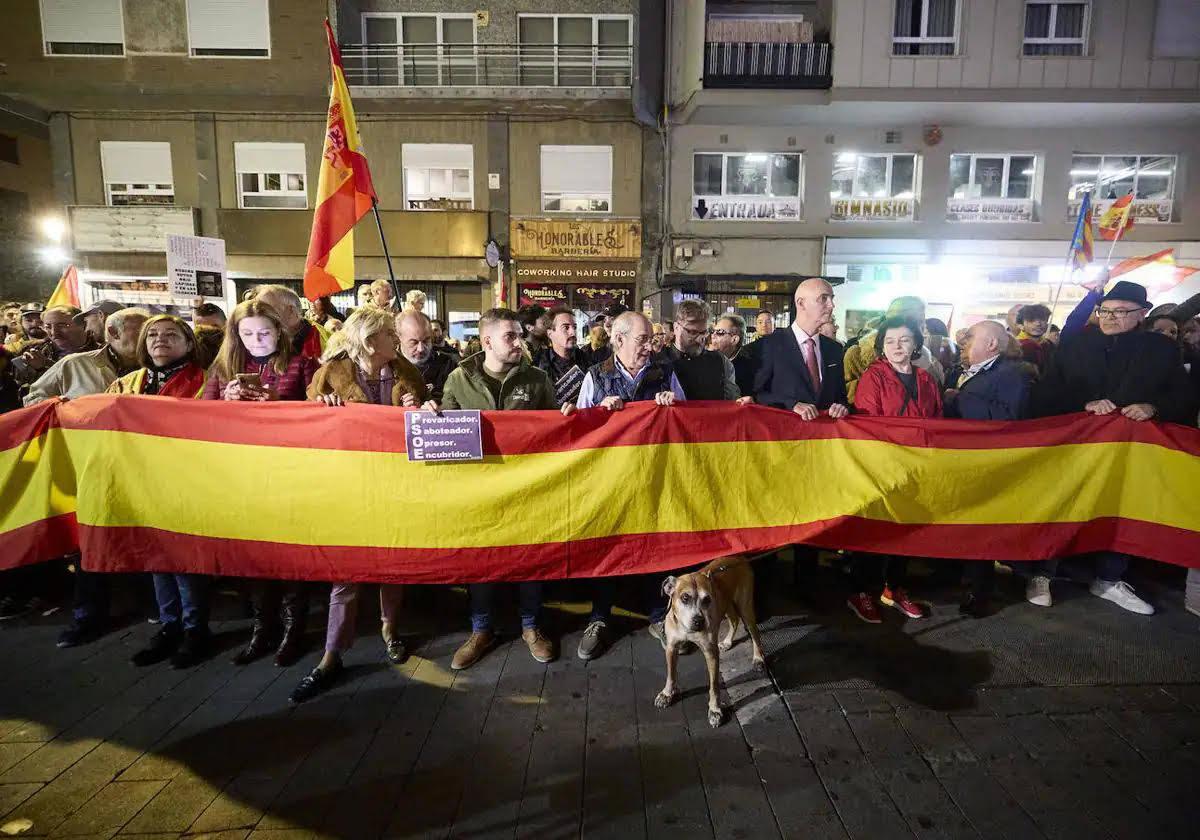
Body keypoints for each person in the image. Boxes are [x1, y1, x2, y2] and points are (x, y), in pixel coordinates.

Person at [1029, 281, 1195, 615]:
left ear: (1142, 314)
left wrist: (1153, 407)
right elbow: (1043, 396)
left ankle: (1109, 578)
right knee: (1064, 505)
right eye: (1105, 310)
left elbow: (1184, 396)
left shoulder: (1161, 350)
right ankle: (1042, 572)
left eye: (1120, 312)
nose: (1110, 317)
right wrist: (1084, 403)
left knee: (1123, 509)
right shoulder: (1074, 344)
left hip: (1130, 453)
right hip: (1077, 449)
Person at [290, 308, 427, 703]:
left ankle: (389, 629)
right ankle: (332, 655)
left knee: (392, 564)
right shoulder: (329, 375)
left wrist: (423, 408)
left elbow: (420, 412)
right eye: (389, 332)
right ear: (370, 341)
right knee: (345, 573)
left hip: (396, 484)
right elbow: (307, 426)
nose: (396, 338)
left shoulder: (404, 371)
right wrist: (322, 408)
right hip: (350, 486)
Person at [440, 308, 568, 671]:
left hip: (526, 487)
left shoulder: (538, 378)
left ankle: (531, 627)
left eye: (519, 335)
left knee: (529, 557)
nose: (519, 342)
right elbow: (446, 434)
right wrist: (430, 413)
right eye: (510, 336)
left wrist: (566, 416)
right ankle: (481, 630)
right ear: (487, 342)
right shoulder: (458, 380)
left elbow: (554, 433)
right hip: (478, 491)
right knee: (481, 560)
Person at [202, 299, 318, 666]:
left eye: (264, 332)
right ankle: (261, 628)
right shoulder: (221, 370)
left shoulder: (302, 366)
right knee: (253, 558)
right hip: (242, 478)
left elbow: (318, 418)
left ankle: (292, 629)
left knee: (290, 557)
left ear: (279, 332)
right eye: (247, 333)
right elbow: (199, 422)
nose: (256, 340)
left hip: (288, 477)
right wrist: (225, 402)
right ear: (235, 335)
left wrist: (277, 404)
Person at [576, 311, 683, 656]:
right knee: (607, 547)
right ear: (618, 340)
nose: (649, 347)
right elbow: (578, 430)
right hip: (611, 481)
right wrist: (599, 414)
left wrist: (674, 405)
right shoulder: (596, 376)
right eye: (642, 340)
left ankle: (659, 615)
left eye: (651, 340)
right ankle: (600, 616)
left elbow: (689, 423)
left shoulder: (665, 373)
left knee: (656, 545)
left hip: (655, 478)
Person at [847, 317, 942, 624]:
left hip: (915, 467)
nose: (897, 346)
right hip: (882, 467)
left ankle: (894, 589)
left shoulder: (926, 379)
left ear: (916, 343)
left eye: (903, 340)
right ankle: (862, 591)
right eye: (890, 341)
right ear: (881, 346)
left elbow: (938, 420)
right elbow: (868, 424)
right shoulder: (873, 377)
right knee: (874, 531)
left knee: (906, 530)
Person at [943, 320, 1033, 617]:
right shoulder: (965, 371)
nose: (965, 342)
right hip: (962, 462)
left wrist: (960, 399)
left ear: (992, 344)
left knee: (981, 529)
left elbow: (1008, 418)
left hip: (989, 466)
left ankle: (979, 593)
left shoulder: (1012, 374)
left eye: (971, 337)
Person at [753, 278, 850, 420]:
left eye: (831, 299)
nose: (831, 305)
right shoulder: (770, 345)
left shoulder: (834, 349)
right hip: (785, 435)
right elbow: (758, 395)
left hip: (825, 437)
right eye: (823, 299)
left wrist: (841, 407)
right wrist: (792, 404)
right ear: (801, 303)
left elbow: (841, 397)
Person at [24, 308, 149, 406]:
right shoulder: (73, 364)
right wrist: (63, 408)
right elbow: (33, 398)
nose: (149, 338)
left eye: (151, 333)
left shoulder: (160, 370)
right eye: (141, 332)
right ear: (113, 332)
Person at [843, 296, 944, 403]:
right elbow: (845, 394)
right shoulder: (858, 354)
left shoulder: (927, 358)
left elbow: (936, 401)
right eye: (916, 321)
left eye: (922, 320)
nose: (923, 326)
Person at [107, 314, 208, 397]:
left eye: (170, 334)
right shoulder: (123, 385)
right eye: (152, 335)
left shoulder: (207, 383)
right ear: (144, 344)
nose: (160, 339)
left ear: (189, 345)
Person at [662, 300, 743, 401]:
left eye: (704, 332)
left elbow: (733, 401)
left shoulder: (720, 361)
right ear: (676, 328)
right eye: (693, 332)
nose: (700, 338)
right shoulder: (658, 361)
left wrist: (743, 403)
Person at [12, 305, 94, 386]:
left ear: (83, 324)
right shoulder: (33, 351)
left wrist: (47, 365)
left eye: (62, 325)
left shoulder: (101, 352)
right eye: (48, 327)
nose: (54, 333)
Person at [396, 310, 457, 405]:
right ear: (398, 338)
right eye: (414, 342)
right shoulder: (387, 367)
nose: (421, 348)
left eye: (426, 341)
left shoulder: (448, 365)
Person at [533, 307, 590, 407]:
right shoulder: (537, 364)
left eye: (575, 327)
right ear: (550, 334)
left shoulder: (589, 361)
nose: (573, 332)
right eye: (566, 328)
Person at [254, 284, 328, 361]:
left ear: (291, 311)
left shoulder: (322, 341)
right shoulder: (256, 338)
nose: (257, 314)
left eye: (266, 309)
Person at [710, 314, 756, 400]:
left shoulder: (750, 369)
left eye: (720, 332)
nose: (713, 336)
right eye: (713, 331)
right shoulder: (704, 358)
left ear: (734, 339)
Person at [1015, 304, 1055, 375]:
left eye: (1043, 319)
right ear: (1020, 326)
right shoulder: (1016, 347)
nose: (1038, 324)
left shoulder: (1048, 344)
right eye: (1031, 320)